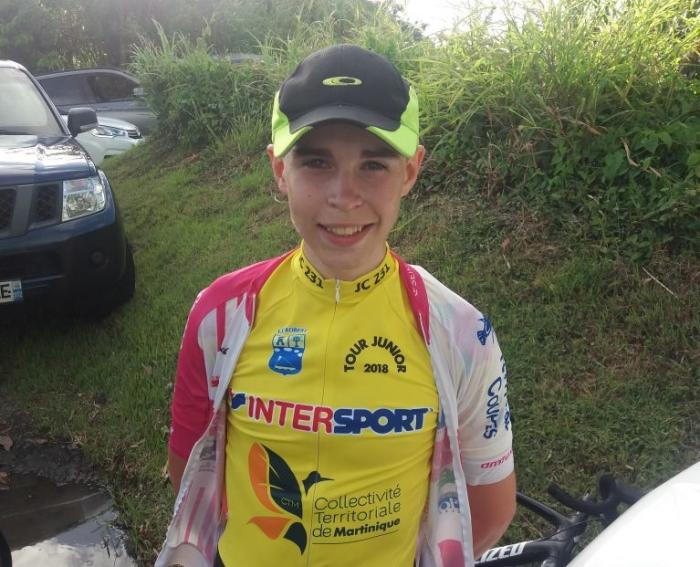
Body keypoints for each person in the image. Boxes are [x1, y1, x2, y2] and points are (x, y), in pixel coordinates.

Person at [156, 44, 515, 567]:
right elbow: (189, 472)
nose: (344, 197)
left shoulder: (462, 333)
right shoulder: (220, 314)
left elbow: (490, 508)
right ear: (279, 170)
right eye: (316, 161)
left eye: (373, 164)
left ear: (410, 172)